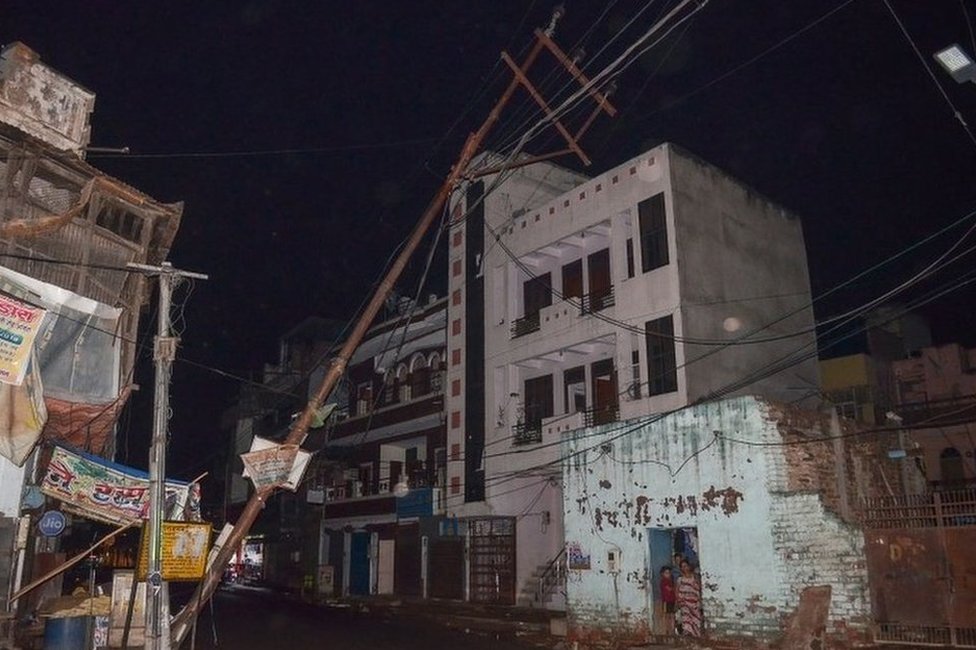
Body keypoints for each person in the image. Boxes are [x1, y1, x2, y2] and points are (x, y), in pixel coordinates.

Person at [676, 559, 702, 637]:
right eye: (682, 567)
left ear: (689, 566)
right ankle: (687, 632)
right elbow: (677, 590)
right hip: (684, 602)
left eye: (685, 566)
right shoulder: (680, 579)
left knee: (695, 619)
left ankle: (696, 635)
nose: (684, 568)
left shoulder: (695, 577)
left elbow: (699, 588)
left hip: (694, 602)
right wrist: (678, 600)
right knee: (686, 617)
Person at [659, 566, 676, 634]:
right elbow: (669, 589)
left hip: (672, 600)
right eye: (666, 573)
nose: (668, 574)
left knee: (672, 615)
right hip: (666, 601)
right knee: (666, 615)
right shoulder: (663, 581)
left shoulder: (671, 581)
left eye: (669, 573)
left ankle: (672, 629)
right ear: (662, 574)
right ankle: (666, 630)